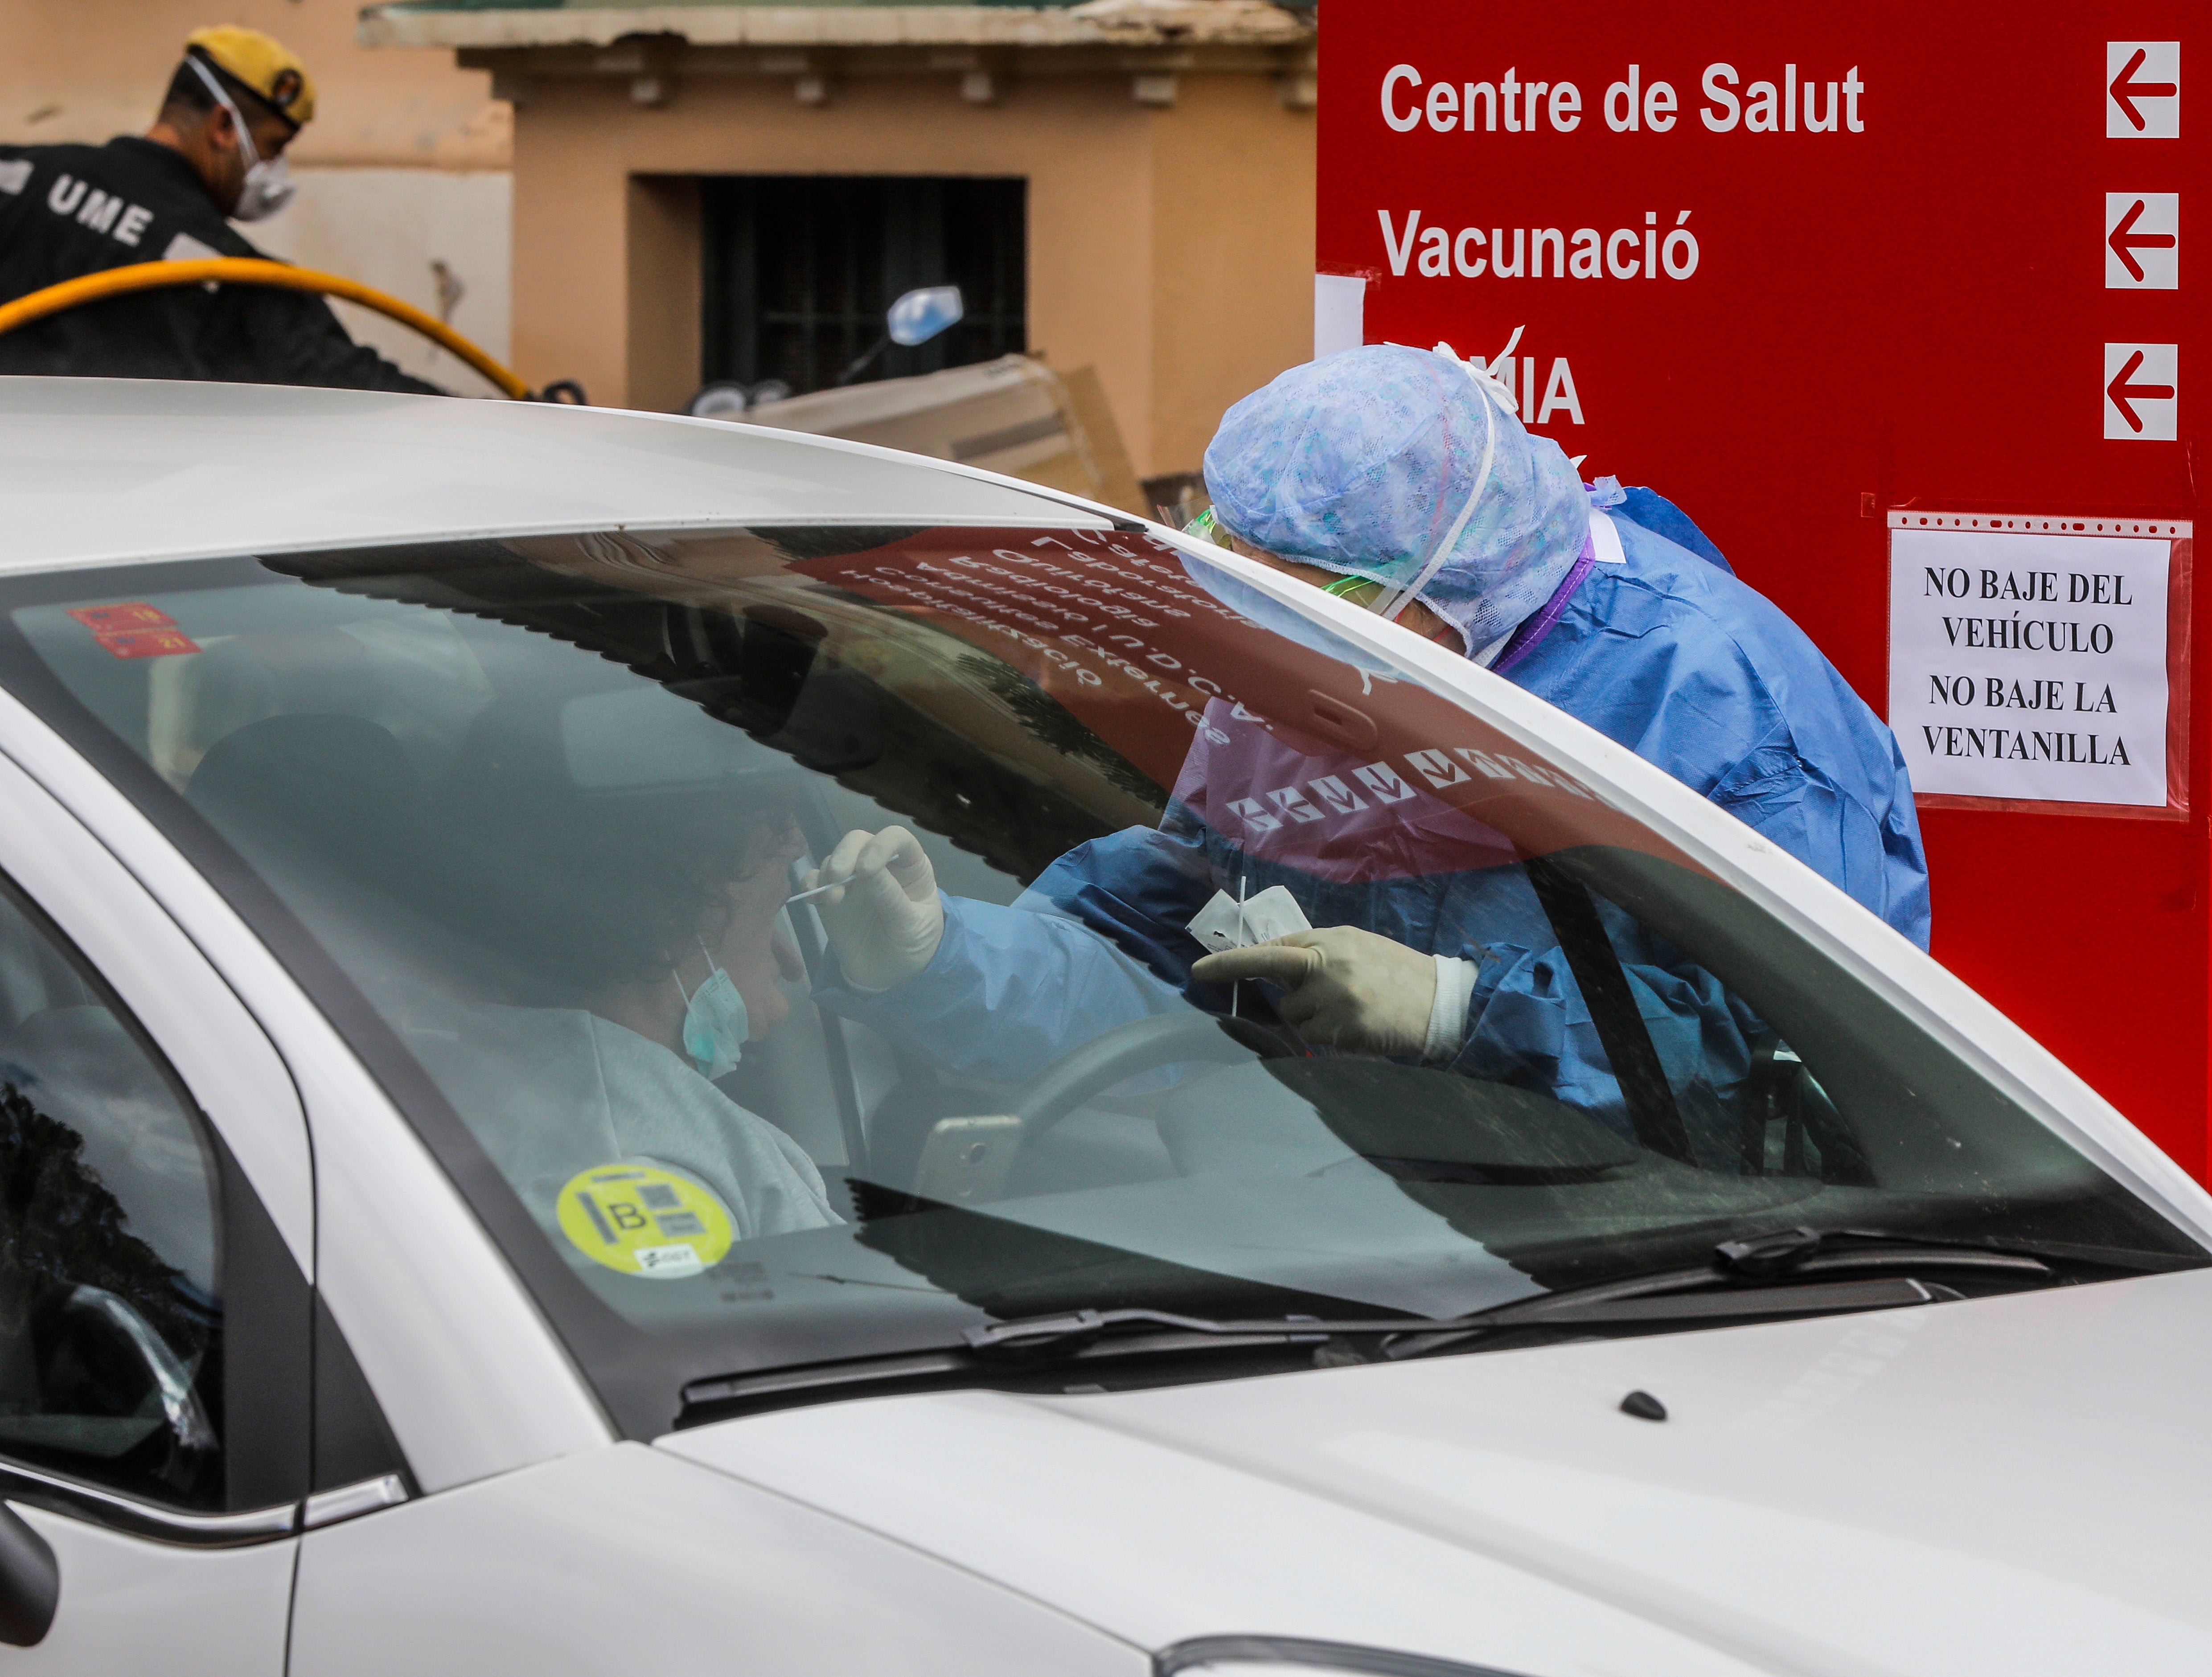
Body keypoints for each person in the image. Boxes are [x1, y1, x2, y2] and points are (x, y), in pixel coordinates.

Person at [796, 343, 1928, 1152]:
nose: (1270, 661)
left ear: (1439, 585)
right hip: (1361, 1232)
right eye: (1247, 601)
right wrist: (936, 956)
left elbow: (1824, 1081)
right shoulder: (1316, 677)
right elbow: (1164, 947)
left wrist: (1458, 1011)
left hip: (1669, 1279)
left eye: (1307, 617)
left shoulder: (1717, 704)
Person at [0, 27, 443, 394]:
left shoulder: (17, 177)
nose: (275, 170)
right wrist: (492, 417)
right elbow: (352, 386)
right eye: (274, 147)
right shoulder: (235, 280)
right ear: (225, 126)